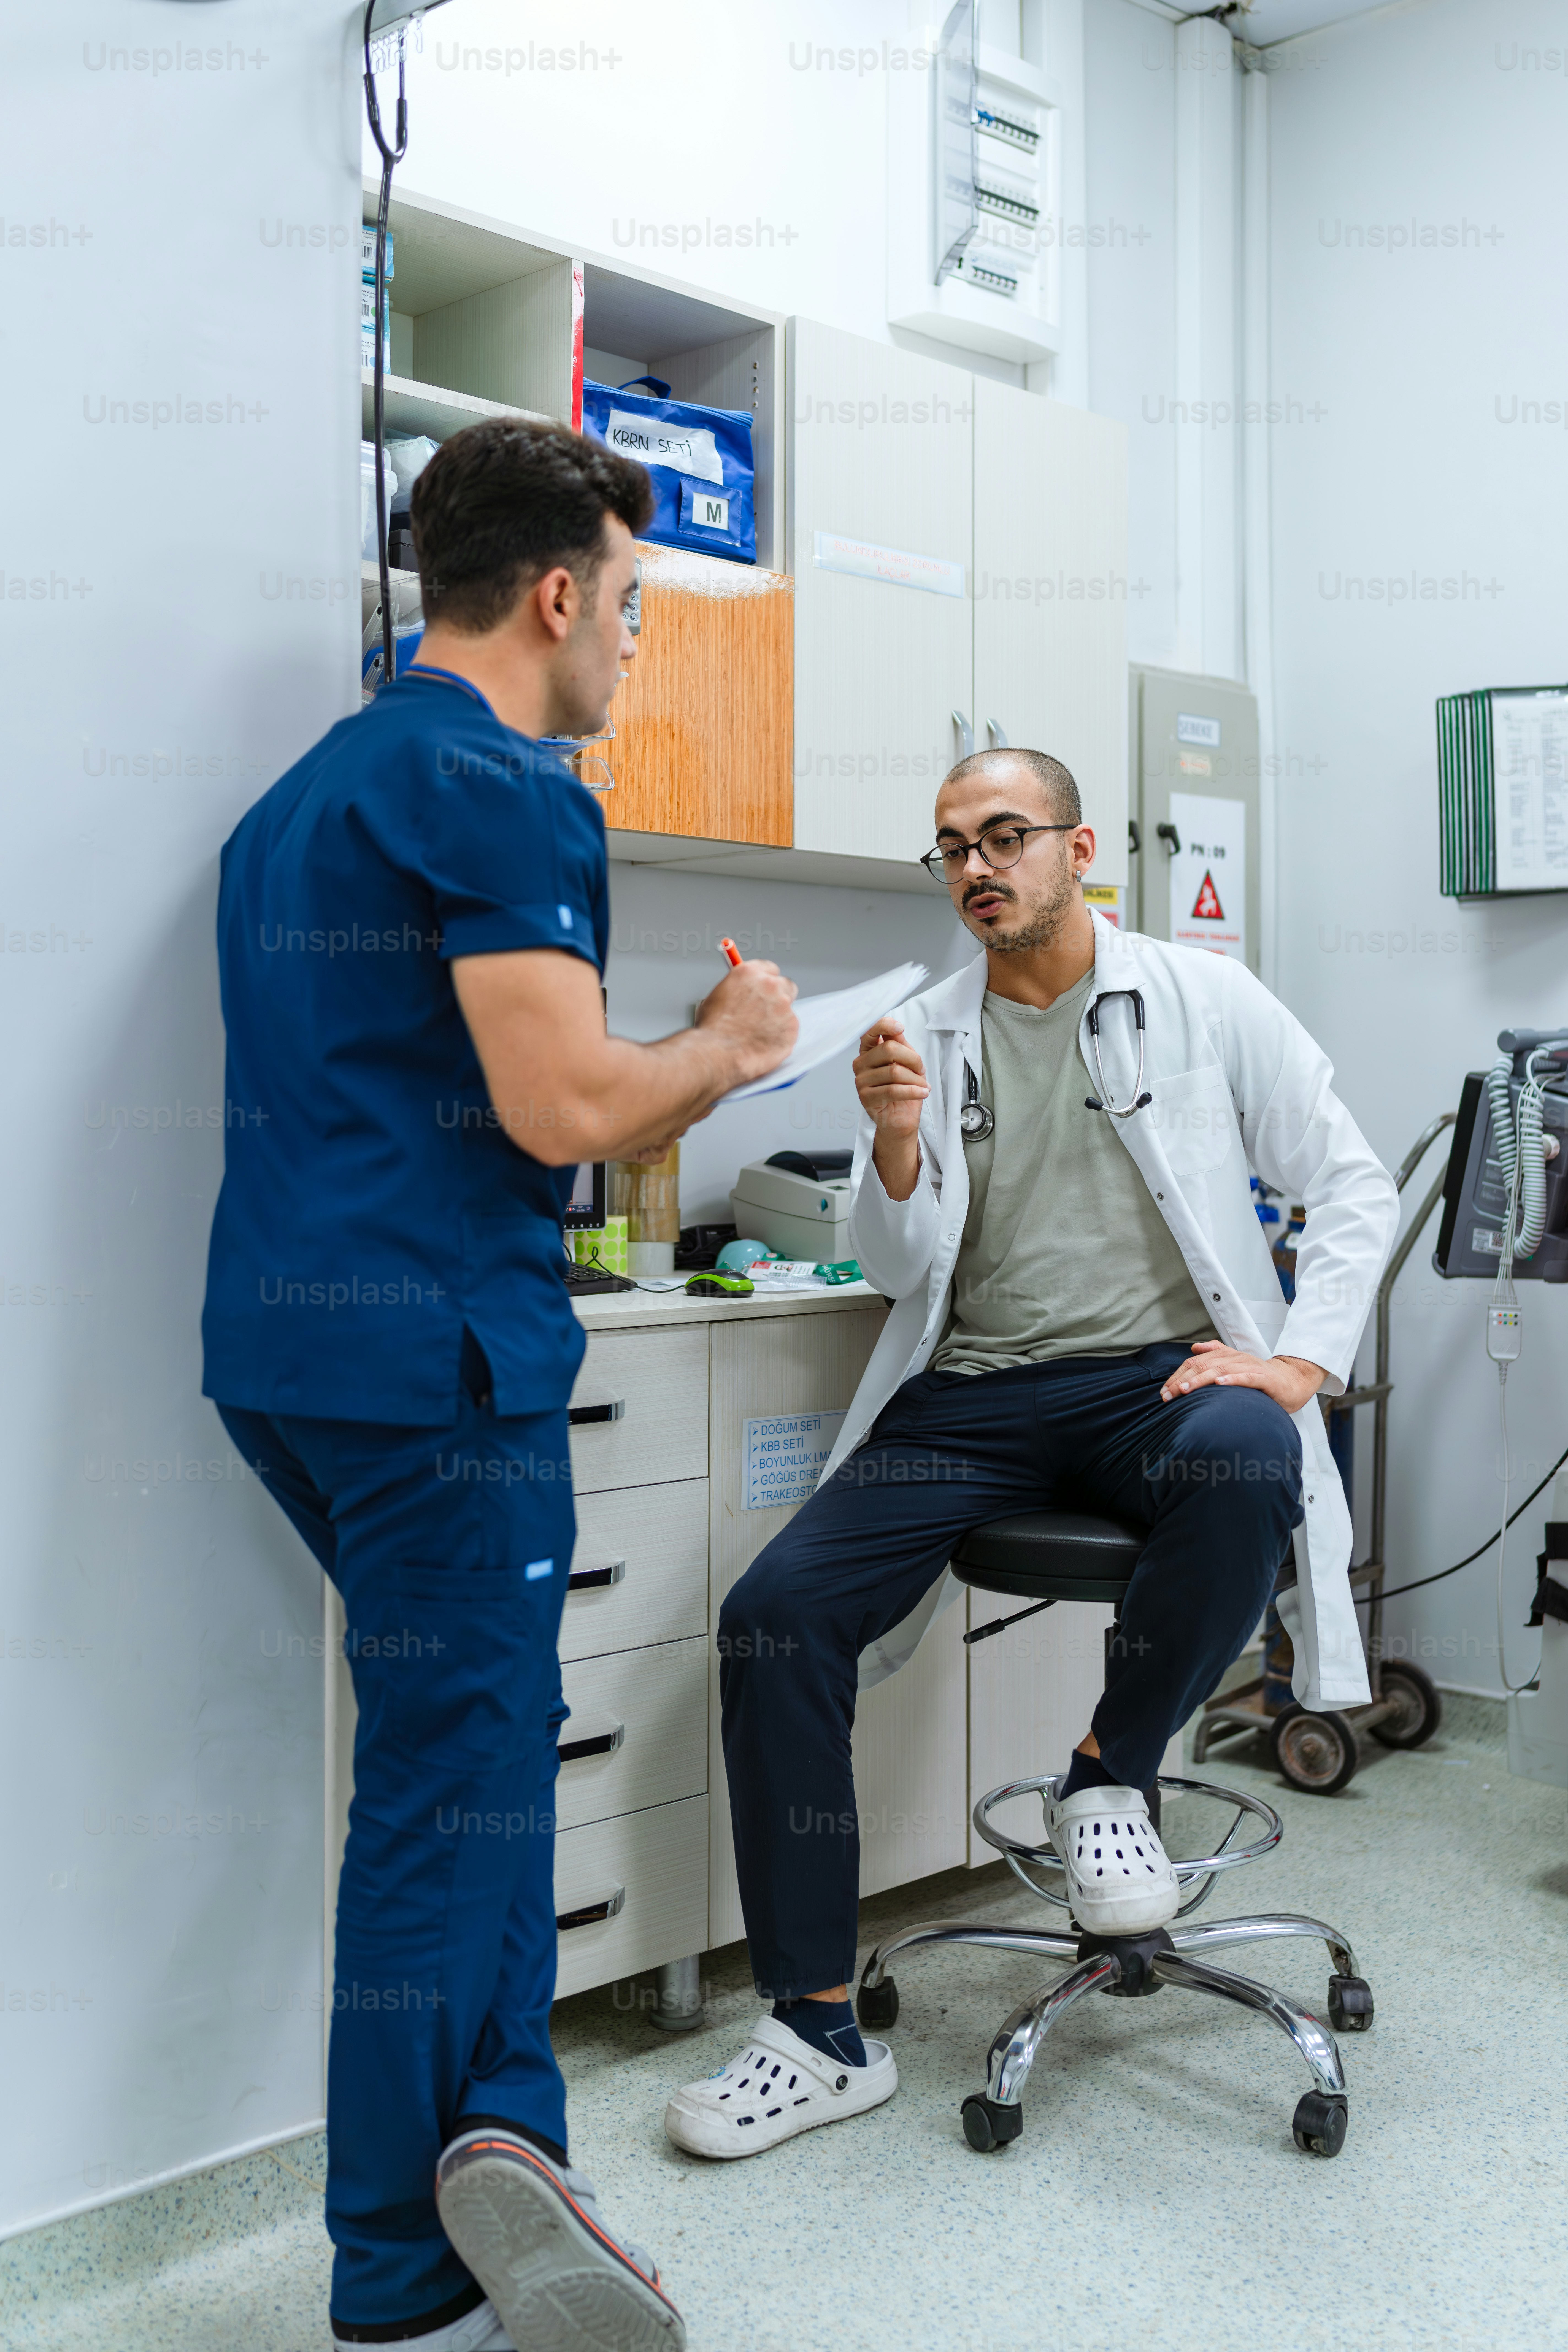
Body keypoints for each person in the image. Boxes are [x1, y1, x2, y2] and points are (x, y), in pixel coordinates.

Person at [201, 417, 797, 2349]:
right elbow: (564, 1102)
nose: (629, 640)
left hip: (291, 1355)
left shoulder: (305, 795)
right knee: (452, 1803)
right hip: (434, 1362)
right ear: (556, 593)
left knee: (463, 1775)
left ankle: (509, 2158)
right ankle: (400, 2277)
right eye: (627, 602)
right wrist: (726, 1045)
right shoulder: (505, 780)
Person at [663, 746, 1397, 2162]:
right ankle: (814, 2028)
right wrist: (886, 1141)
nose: (977, 867)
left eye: (1005, 835)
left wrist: (1296, 1359)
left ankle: (1106, 1774)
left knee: (1253, 1443)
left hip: (1155, 1381)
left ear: (1081, 846)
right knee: (774, 1619)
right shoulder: (926, 1033)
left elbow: (1347, 1179)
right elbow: (899, 1264)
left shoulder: (1201, 997)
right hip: (971, 1396)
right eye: (950, 847)